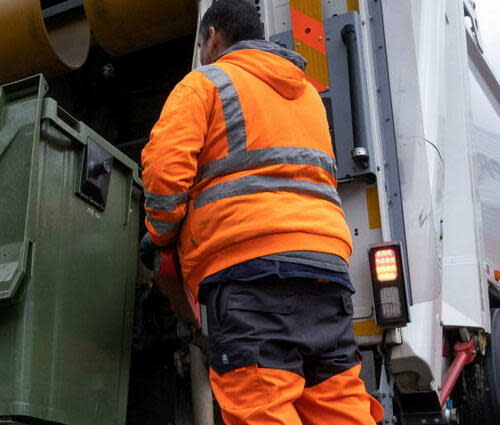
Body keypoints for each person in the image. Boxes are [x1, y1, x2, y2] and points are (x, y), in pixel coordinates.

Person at [139, 1, 384, 423]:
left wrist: (160, 239)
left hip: (249, 277)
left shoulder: (204, 84)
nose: (201, 54)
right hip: (325, 273)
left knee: (262, 406)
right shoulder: (307, 93)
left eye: (200, 45)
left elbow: (164, 176)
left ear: (213, 37)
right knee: (338, 404)